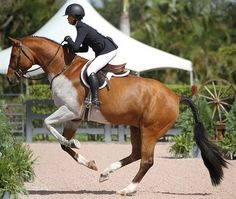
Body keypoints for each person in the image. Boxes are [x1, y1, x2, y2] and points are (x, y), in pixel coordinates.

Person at [63, 3, 118, 109]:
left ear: (74, 17)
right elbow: (84, 48)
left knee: (90, 70)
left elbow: (75, 47)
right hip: (106, 49)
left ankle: (96, 99)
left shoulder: (81, 27)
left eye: (68, 16)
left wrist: (69, 40)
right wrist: (70, 46)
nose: (67, 19)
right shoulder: (81, 26)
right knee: (90, 68)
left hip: (108, 50)